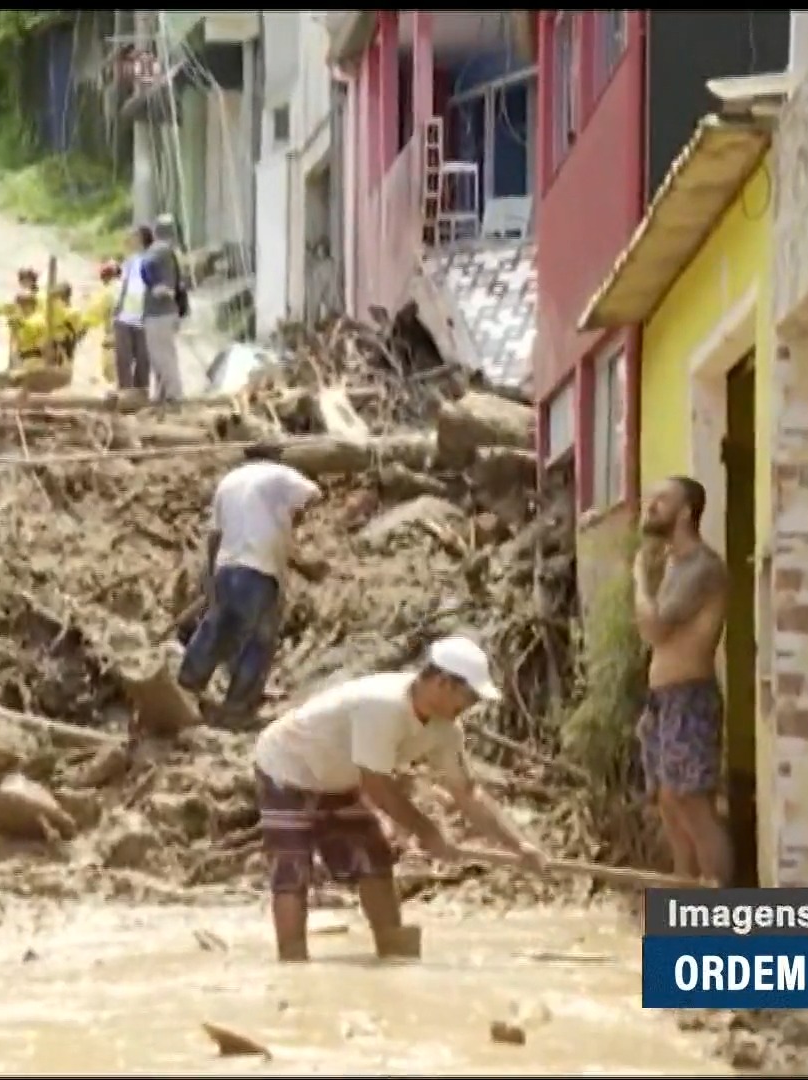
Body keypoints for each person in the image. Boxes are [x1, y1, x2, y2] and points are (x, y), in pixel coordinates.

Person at [252, 636, 550, 962]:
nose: (471, 706)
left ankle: (394, 955)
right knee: (292, 870)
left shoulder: (446, 730)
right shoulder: (382, 706)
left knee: (374, 857)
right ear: (442, 683)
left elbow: (466, 792)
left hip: (340, 778)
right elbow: (377, 785)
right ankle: (293, 965)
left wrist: (519, 845)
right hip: (288, 766)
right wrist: (428, 832)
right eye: (469, 697)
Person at [178, 447, 325, 725]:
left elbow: (214, 536)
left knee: (218, 629)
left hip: (227, 567)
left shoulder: (228, 482)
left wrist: (210, 581)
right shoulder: (283, 474)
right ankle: (238, 707)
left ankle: (187, 685)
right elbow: (313, 494)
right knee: (258, 640)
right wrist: (296, 528)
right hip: (260, 569)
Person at [633, 475, 732, 886]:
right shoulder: (671, 564)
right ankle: (685, 896)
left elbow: (655, 628)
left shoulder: (702, 567)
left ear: (686, 511)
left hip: (689, 697)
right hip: (663, 700)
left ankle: (722, 903)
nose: (651, 505)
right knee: (669, 800)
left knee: (693, 802)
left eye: (662, 499)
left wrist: (638, 578)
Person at [139, 215, 189, 402]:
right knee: (162, 354)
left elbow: (145, 265)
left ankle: (173, 395)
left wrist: (154, 283)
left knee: (161, 356)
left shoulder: (159, 250)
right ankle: (163, 393)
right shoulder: (170, 252)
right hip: (167, 312)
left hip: (159, 313)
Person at [110, 225, 154, 395]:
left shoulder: (152, 259)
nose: (130, 240)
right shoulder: (130, 261)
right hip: (126, 315)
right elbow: (124, 286)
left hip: (145, 315)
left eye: (134, 237)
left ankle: (141, 392)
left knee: (143, 358)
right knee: (123, 357)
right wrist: (118, 308)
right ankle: (125, 392)